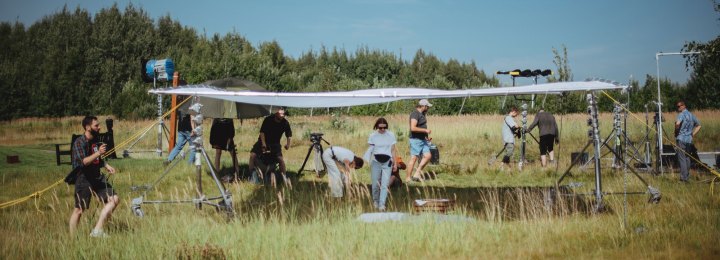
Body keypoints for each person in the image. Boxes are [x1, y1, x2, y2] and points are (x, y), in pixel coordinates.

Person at [68, 116, 119, 238]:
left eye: (99, 125)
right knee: (79, 210)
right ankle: (72, 239)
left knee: (114, 199)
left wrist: (106, 165)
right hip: (83, 178)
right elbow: (84, 162)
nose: (99, 127)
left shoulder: (95, 141)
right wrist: (98, 153)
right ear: (87, 127)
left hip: (97, 177)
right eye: (96, 125)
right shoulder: (79, 142)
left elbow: (98, 159)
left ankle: (97, 231)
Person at [249, 107, 292, 180]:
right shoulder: (268, 120)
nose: (282, 115)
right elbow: (262, 132)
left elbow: (289, 135)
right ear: (276, 113)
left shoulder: (285, 123)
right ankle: (251, 175)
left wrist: (288, 145)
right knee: (252, 155)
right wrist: (263, 143)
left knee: (280, 160)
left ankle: (284, 178)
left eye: (283, 114)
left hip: (275, 144)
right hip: (263, 141)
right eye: (280, 113)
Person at [366, 118, 398, 211]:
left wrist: (395, 163)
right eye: (380, 128)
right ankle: (375, 201)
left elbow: (393, 150)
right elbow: (370, 149)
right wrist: (368, 160)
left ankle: (382, 204)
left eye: (384, 127)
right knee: (375, 184)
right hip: (376, 161)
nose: (383, 130)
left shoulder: (391, 135)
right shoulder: (373, 136)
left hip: (387, 162)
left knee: (385, 184)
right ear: (377, 127)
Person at [674, 100, 701, 182]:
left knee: (682, 158)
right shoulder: (691, 115)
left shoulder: (681, 115)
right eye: (677, 106)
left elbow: (678, 124)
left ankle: (683, 178)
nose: (678, 107)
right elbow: (699, 125)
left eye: (680, 106)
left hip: (681, 139)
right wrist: (692, 134)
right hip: (689, 140)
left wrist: (676, 131)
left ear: (684, 106)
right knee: (687, 158)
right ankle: (686, 176)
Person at [406, 99, 433, 182]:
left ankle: (417, 174)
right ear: (423, 106)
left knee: (428, 156)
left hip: (423, 140)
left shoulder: (422, 114)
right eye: (427, 106)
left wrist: (426, 137)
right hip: (415, 140)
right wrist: (425, 131)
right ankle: (408, 178)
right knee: (414, 158)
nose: (428, 108)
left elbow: (422, 126)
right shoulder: (415, 114)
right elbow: (413, 128)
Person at [165, 99, 196, 165]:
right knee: (194, 147)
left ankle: (169, 159)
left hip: (180, 129)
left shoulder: (180, 103)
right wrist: (193, 129)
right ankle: (190, 165)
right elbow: (192, 117)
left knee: (178, 146)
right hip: (188, 129)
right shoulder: (191, 104)